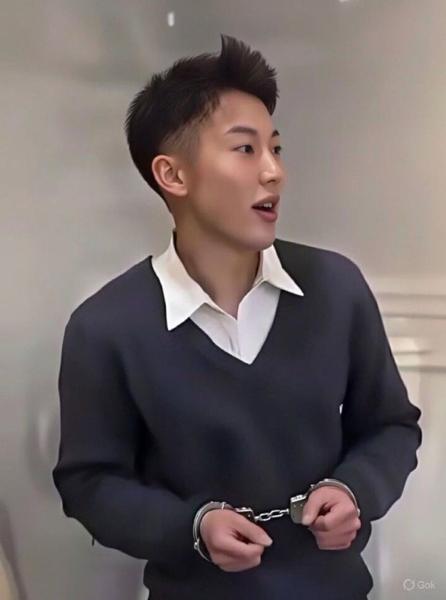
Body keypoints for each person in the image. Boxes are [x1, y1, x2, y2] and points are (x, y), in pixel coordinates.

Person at [52, 34, 422, 600]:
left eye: (276, 148)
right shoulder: (104, 328)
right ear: (173, 176)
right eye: (245, 149)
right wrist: (192, 527)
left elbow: (391, 426)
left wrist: (355, 490)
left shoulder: (336, 287)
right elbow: (89, 482)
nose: (274, 172)